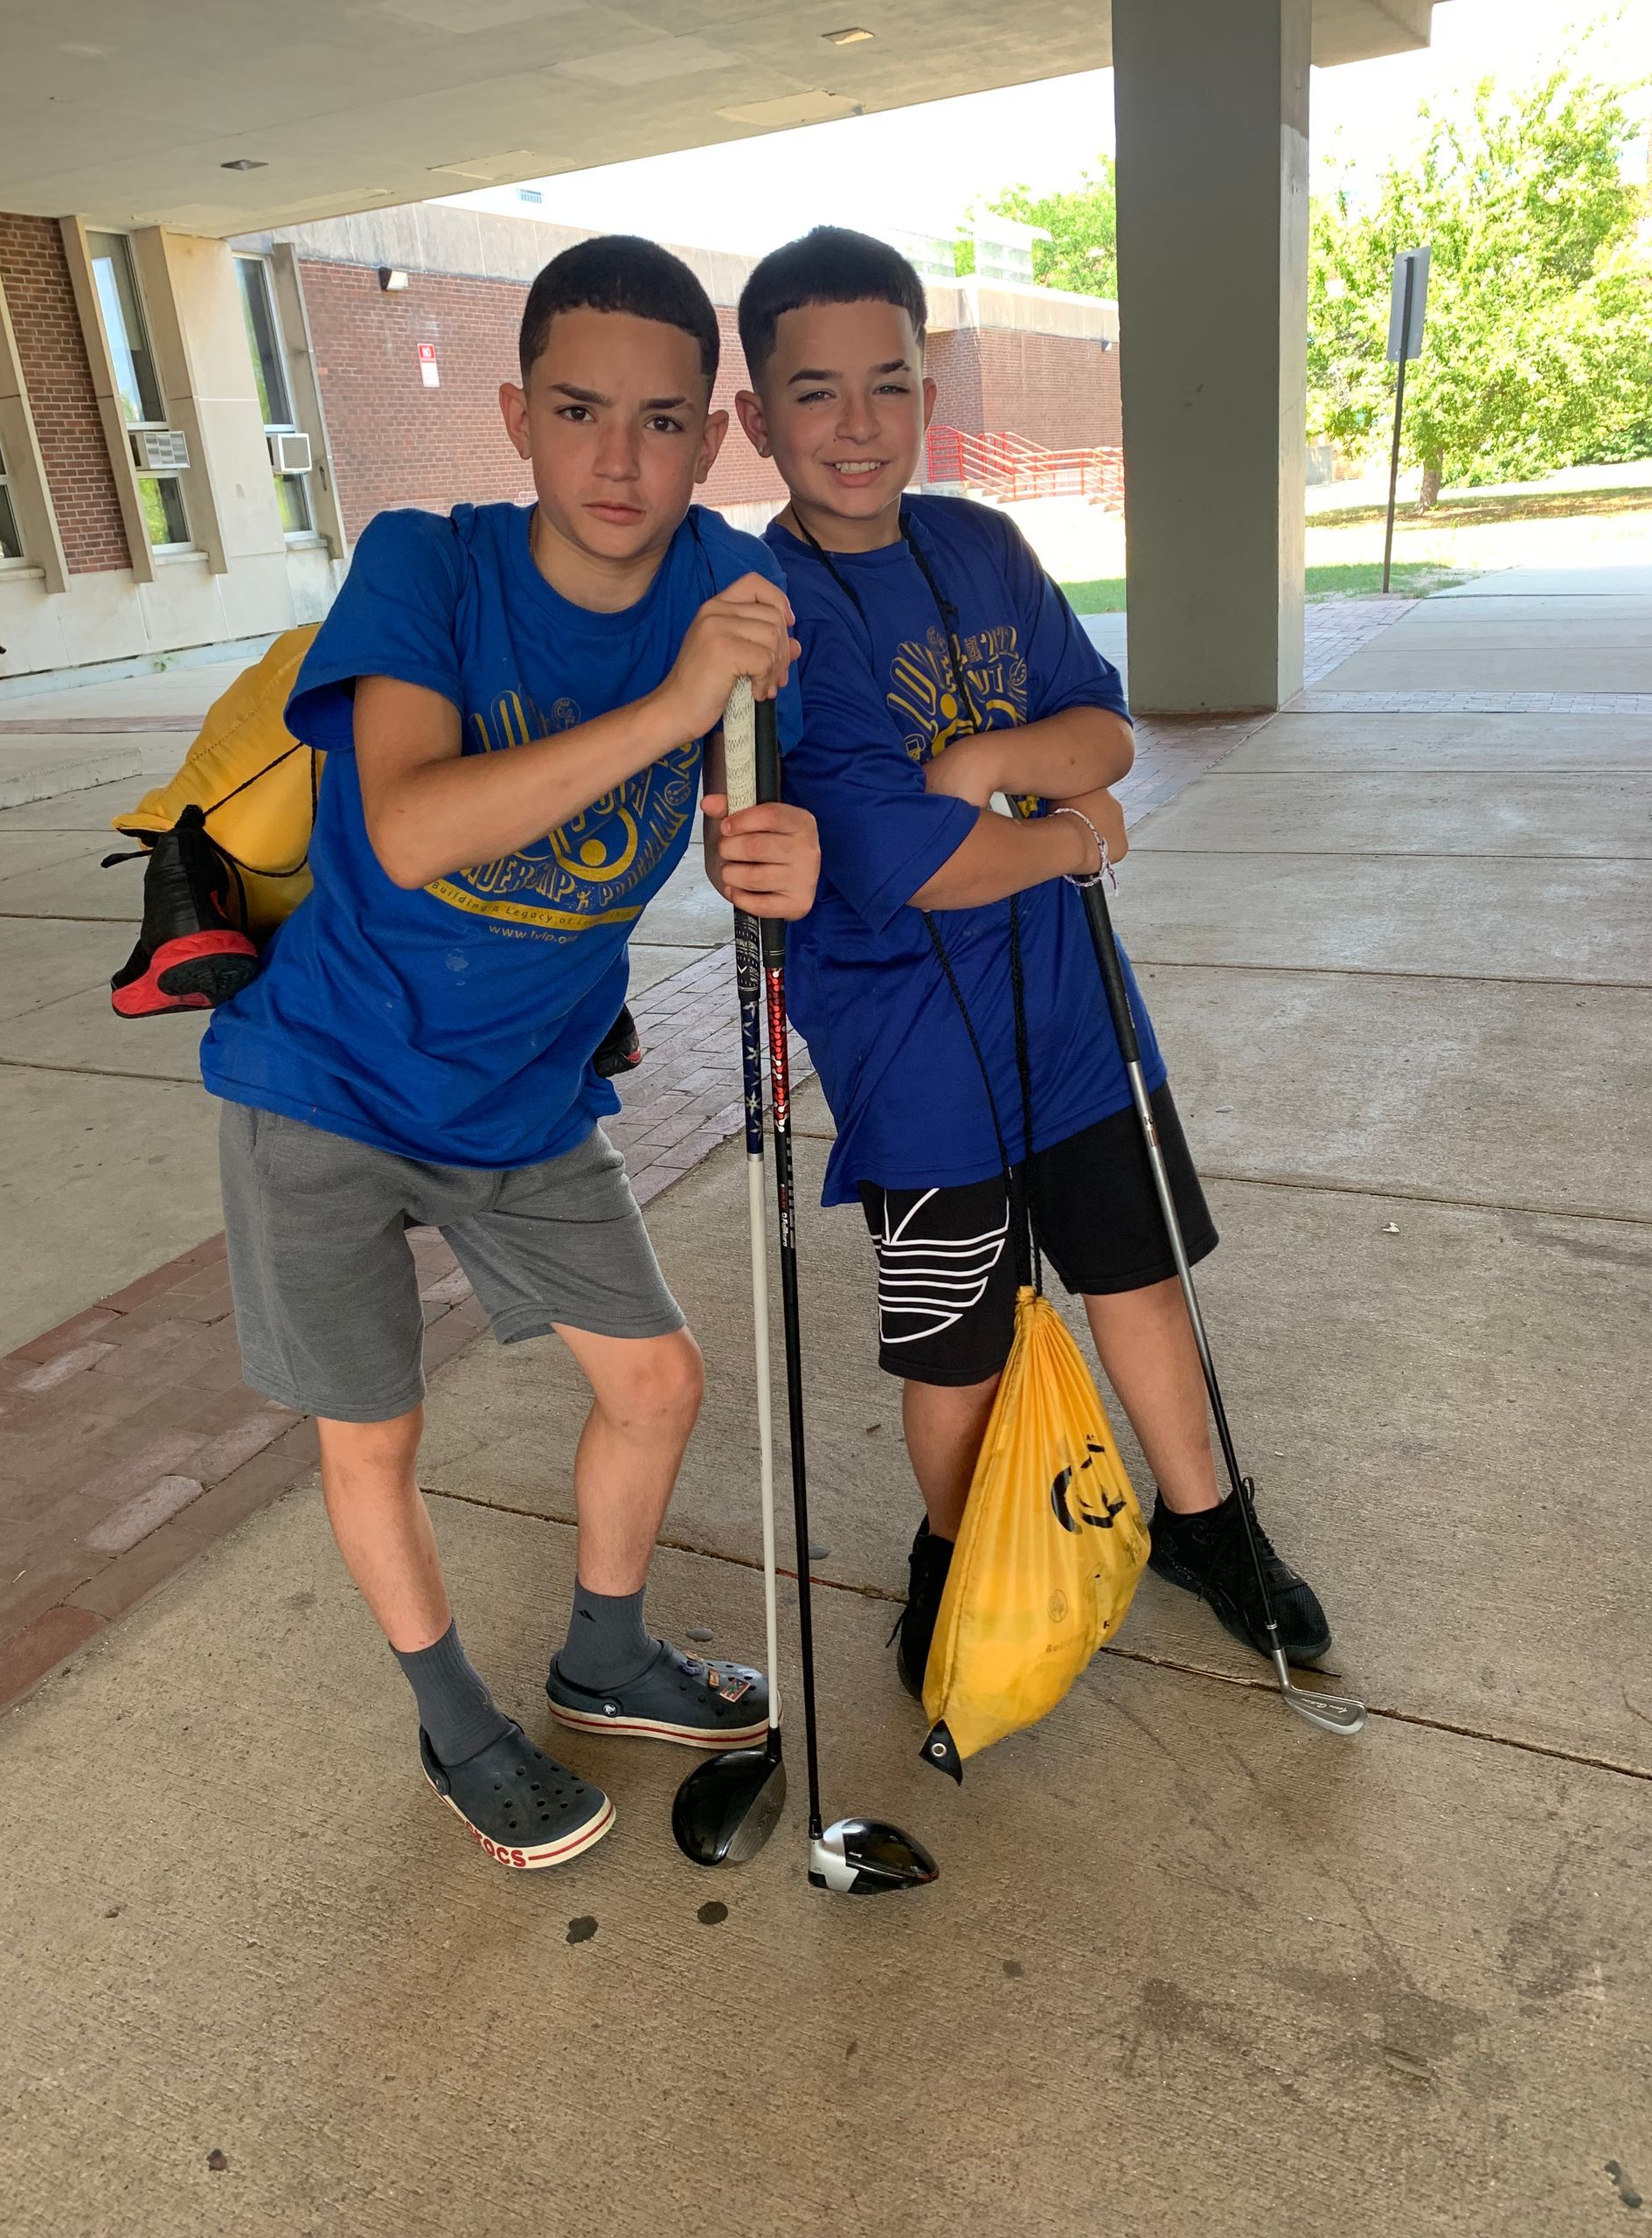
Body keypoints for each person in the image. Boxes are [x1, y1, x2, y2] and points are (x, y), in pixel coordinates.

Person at [199, 236, 818, 1871]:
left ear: (714, 432)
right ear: (514, 413)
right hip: (322, 1079)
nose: (621, 460)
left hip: (526, 1098)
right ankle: (454, 1723)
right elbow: (405, 826)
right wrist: (678, 703)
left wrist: (787, 842)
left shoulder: (728, 591)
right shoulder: (428, 563)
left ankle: (603, 1656)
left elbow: (769, 806)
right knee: (375, 1429)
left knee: (657, 1380)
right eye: (579, 410)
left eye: (665, 421)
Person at [732, 227, 1332, 1696]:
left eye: (889, 383)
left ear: (929, 388)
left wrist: (993, 755)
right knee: (959, 1348)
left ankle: (1208, 1523)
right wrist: (1067, 834)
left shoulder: (984, 546)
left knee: (1139, 1280)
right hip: (912, 1055)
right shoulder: (770, 618)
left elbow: (1107, 729)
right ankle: (961, 1551)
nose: (859, 424)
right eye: (816, 393)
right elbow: (906, 861)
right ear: (756, 418)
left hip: (1074, 1012)